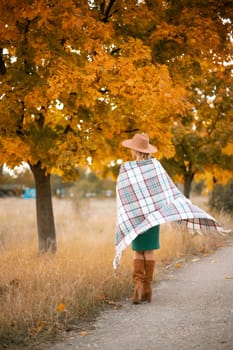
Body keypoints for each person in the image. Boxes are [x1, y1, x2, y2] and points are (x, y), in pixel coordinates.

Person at [114, 133, 225, 305]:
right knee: (149, 251)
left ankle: (138, 285)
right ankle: (148, 288)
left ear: (133, 150)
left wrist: (132, 211)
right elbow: (167, 190)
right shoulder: (156, 166)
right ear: (147, 150)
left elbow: (123, 195)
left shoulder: (127, 168)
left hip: (136, 219)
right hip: (153, 217)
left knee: (138, 252)